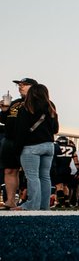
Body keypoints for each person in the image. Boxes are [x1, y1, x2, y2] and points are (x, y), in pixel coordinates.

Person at [11, 82, 60, 210]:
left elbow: (21, 131)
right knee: (45, 176)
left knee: (32, 176)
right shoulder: (51, 108)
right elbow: (55, 129)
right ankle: (44, 206)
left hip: (31, 147)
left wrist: (17, 149)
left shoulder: (26, 107)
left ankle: (33, 204)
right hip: (49, 146)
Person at [2, 79, 35, 210]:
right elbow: (5, 121)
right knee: (9, 169)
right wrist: (4, 110)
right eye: (19, 85)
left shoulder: (37, 102)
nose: (20, 87)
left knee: (30, 172)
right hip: (9, 139)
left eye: (24, 84)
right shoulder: (15, 102)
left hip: (27, 140)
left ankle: (33, 201)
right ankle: (10, 200)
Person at [51, 134, 79, 208]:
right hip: (67, 169)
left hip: (57, 169)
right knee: (65, 186)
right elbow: (75, 160)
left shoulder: (55, 147)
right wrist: (78, 169)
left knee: (59, 186)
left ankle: (61, 203)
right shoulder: (72, 148)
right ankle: (66, 203)